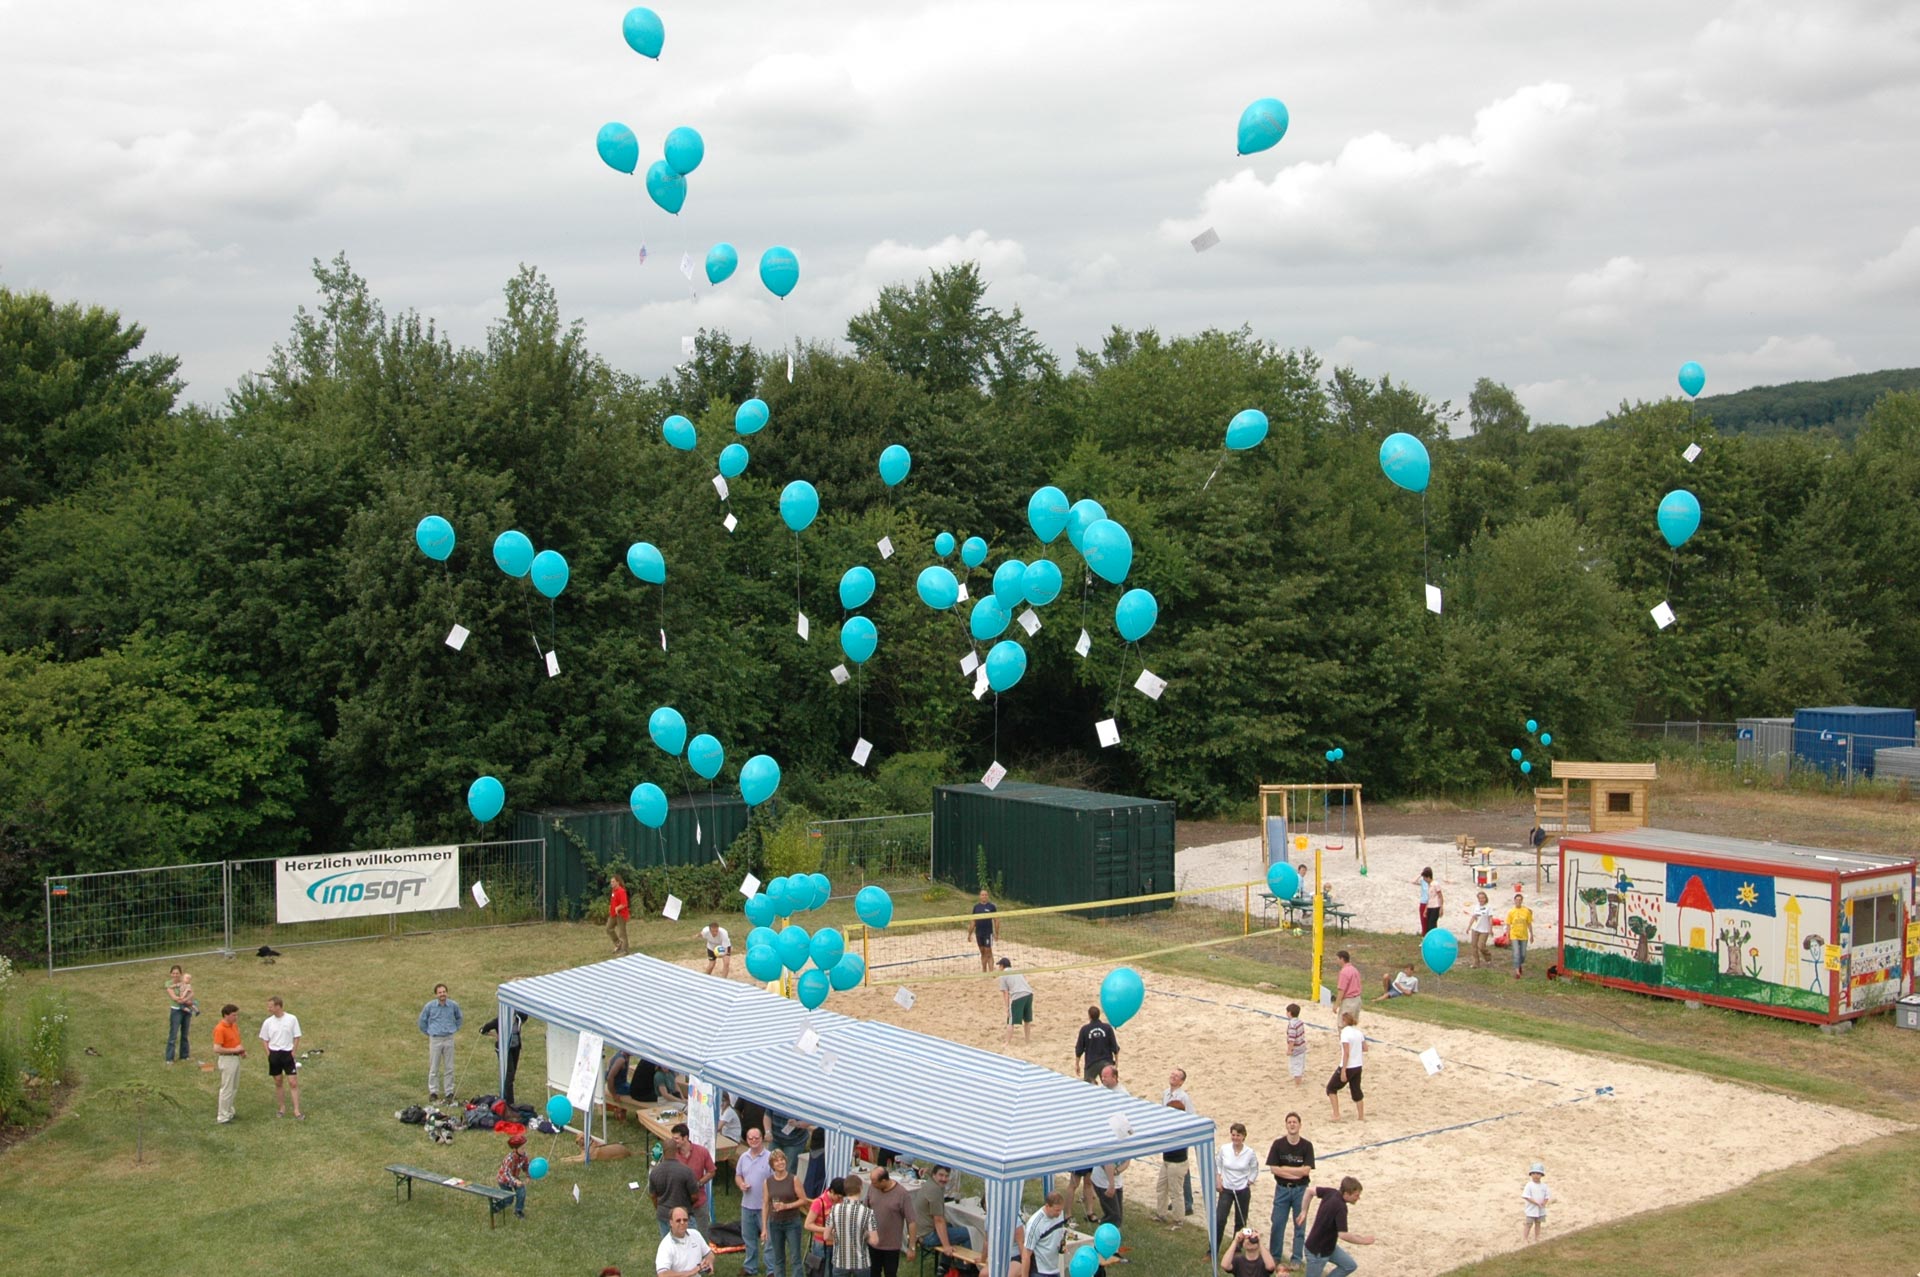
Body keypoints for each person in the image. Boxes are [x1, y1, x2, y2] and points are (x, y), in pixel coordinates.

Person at [1301, 1176, 1375, 1277]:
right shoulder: (1341, 1207)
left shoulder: (1331, 1192)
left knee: (1349, 1265)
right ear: (1346, 1194)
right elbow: (1343, 1235)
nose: (1358, 1198)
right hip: (1317, 1252)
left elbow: (1309, 1191)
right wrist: (1364, 1241)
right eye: (1356, 1195)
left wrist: (1303, 1211)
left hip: (1329, 1247)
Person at [1265, 1111, 1314, 1265]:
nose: (1292, 1124)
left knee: (1300, 1225)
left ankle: (1296, 1259)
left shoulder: (1307, 1146)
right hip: (1282, 1189)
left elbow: (1306, 1171)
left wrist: (1285, 1169)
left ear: (1300, 1125)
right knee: (1277, 1223)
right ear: (1286, 1125)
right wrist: (1296, 1172)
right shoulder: (1278, 1144)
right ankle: (1275, 1257)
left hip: (1301, 1190)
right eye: (1289, 1122)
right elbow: (1274, 1169)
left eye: (1295, 1122)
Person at [1153, 1069, 1194, 1223]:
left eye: (1177, 1076)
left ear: (1182, 1081)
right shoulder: (1166, 1093)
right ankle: (1161, 1214)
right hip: (1167, 1148)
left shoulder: (1183, 1097)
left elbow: (1190, 1117)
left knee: (1178, 1184)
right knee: (1162, 1186)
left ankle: (1182, 1212)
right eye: (1172, 1074)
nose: (1173, 1077)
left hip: (1178, 1148)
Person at [864, 1163, 915, 1277]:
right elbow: (865, 1209)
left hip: (891, 1246)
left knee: (890, 1274)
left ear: (883, 1181)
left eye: (874, 1182)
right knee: (873, 1273)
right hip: (873, 1243)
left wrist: (911, 1247)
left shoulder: (902, 1194)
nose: (872, 1184)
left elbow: (911, 1221)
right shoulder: (872, 1188)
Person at [736, 1126, 774, 1275]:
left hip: (765, 1206)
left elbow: (776, 1179)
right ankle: (750, 1267)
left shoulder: (770, 1157)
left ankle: (771, 1269)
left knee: (769, 1240)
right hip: (747, 1205)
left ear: (762, 1138)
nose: (753, 1141)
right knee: (749, 1239)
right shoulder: (743, 1157)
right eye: (750, 1138)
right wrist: (741, 1184)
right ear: (747, 1140)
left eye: (756, 1138)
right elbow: (738, 1175)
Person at [1215, 1122, 1259, 1251]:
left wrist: (1249, 1181)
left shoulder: (1249, 1152)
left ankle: (1237, 1250)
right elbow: (1218, 1164)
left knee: (1240, 1222)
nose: (1235, 1138)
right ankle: (1213, 1250)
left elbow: (1254, 1168)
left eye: (1238, 1135)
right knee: (1220, 1219)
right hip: (1226, 1189)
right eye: (1233, 1135)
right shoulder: (1225, 1149)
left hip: (1242, 1190)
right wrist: (1218, 1179)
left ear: (1244, 1136)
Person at [824, 1171, 878, 1277]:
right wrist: (865, 1236)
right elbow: (874, 1241)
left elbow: (826, 1236)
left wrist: (837, 1237)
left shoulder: (835, 1209)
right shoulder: (868, 1212)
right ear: (861, 1189)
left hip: (840, 1261)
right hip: (861, 1262)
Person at [764, 1147, 807, 1277]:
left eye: (782, 1159)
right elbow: (765, 1204)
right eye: (777, 1160)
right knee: (778, 1259)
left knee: (795, 1257)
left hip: (792, 1222)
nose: (780, 1162)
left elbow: (803, 1200)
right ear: (772, 1165)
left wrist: (787, 1206)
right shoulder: (768, 1182)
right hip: (775, 1223)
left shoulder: (793, 1179)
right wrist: (764, 1228)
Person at [911, 1164, 972, 1254]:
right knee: (970, 1232)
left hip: (920, 1231)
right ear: (934, 1175)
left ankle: (945, 1262)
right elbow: (938, 1220)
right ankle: (963, 1262)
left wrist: (928, 1170)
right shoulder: (935, 1190)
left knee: (951, 1225)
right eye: (941, 1175)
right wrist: (946, 1246)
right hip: (928, 1236)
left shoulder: (931, 1182)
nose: (944, 1179)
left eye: (946, 1176)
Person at [258, 996, 303, 1118]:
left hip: (287, 1053)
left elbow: (297, 1036)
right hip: (274, 1054)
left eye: (271, 1006)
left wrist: (293, 1051)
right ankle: (282, 1108)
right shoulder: (268, 1022)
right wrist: (269, 1053)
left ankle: (297, 1110)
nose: (269, 1009)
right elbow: (264, 1039)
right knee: (278, 1081)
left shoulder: (291, 1019)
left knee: (293, 1082)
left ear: (278, 1006)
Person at [418, 982, 462, 1102]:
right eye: (440, 992)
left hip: (449, 1038)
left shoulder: (453, 1005)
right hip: (435, 1039)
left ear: (447, 993)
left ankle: (449, 1092)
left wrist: (455, 1028)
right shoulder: (430, 1006)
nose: (442, 994)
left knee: (449, 1067)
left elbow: (459, 1017)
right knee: (434, 1067)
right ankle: (433, 1091)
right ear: (436, 994)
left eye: (444, 992)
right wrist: (429, 1032)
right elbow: (422, 1021)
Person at [650, 1136, 701, 1238]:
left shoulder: (655, 1172)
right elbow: (695, 1196)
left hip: (664, 1215)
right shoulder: (686, 1171)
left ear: (663, 1151)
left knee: (668, 1245)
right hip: (683, 1216)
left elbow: (653, 1196)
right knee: (690, 1244)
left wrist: (660, 1207)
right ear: (676, 1151)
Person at [673, 1122, 716, 1229]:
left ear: (685, 1138)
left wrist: (699, 1183)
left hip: (699, 1202)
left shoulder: (702, 1151)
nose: (673, 1141)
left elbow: (711, 1171)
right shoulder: (672, 1155)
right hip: (679, 1203)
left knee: (702, 1233)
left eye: (676, 1138)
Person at [479, 1008, 527, 1105]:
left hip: (515, 1048)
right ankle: (509, 1101)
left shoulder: (519, 1018)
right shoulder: (499, 1021)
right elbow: (482, 1030)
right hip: (504, 1049)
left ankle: (507, 1097)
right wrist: (496, 1035)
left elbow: (525, 1016)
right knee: (509, 1074)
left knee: (512, 1074)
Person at [1020, 1191, 1072, 1277]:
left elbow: (1058, 1233)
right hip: (1039, 1272)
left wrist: (1061, 1245)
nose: (1059, 1213)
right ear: (1047, 1206)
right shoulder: (1035, 1224)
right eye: (1057, 1210)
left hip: (1054, 1269)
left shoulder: (1059, 1214)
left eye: (1061, 1210)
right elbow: (1026, 1254)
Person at [656, 1206, 716, 1277]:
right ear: (671, 1222)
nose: (682, 1223)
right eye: (678, 1220)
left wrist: (709, 1261)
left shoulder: (695, 1234)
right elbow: (662, 1274)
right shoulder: (665, 1246)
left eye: (685, 1220)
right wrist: (691, 1272)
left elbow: (709, 1254)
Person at [1326, 1013, 1365, 1122]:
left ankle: (1336, 1115)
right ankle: (1361, 1117)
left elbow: (1346, 1053)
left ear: (1344, 1021)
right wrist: (1356, 1050)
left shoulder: (1345, 1033)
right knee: (1356, 1090)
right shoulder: (1358, 1032)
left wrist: (1343, 1070)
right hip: (1358, 1065)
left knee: (1331, 1088)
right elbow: (1365, 1048)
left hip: (1349, 1066)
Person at [212, 1003, 245, 1123]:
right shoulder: (220, 1028)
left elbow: (236, 1041)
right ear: (226, 1015)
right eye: (233, 1015)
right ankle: (222, 1116)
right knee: (227, 1088)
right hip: (227, 1059)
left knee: (234, 1087)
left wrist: (241, 1051)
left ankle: (229, 1111)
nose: (236, 1017)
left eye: (236, 1015)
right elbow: (217, 1048)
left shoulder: (233, 1026)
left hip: (235, 1058)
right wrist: (234, 1050)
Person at [804, 1176, 845, 1272]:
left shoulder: (840, 1202)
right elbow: (807, 1225)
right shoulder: (819, 1202)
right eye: (839, 1197)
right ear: (832, 1191)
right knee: (822, 1272)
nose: (841, 1200)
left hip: (836, 1243)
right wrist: (827, 1230)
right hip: (821, 1244)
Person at [1073, 1006, 1119, 1082]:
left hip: (1091, 1063)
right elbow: (1114, 1047)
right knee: (1110, 1086)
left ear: (1089, 1016)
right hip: (1106, 1061)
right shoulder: (1107, 1028)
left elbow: (1079, 1049)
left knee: (1088, 1085)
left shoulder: (1085, 1029)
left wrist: (1077, 1064)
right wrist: (1116, 1062)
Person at [998, 957, 1034, 1044]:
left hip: (1018, 996)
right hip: (1029, 994)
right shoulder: (1017, 971)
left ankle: (1007, 1042)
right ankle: (1027, 1041)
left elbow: (1005, 993)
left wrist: (1007, 1008)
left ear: (1002, 966)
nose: (999, 968)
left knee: (1010, 1021)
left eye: (999, 966)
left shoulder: (1003, 975)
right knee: (1027, 1020)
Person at [496, 1131, 530, 1219]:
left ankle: (518, 1210)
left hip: (514, 1177)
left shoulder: (524, 1156)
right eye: (522, 1148)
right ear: (515, 1149)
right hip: (504, 1180)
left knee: (521, 1192)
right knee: (509, 1199)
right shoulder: (510, 1159)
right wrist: (515, 1182)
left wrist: (528, 1175)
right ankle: (497, 1205)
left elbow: (526, 1166)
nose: (524, 1150)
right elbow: (506, 1173)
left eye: (525, 1147)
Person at [165, 965, 195, 1064]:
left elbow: (192, 994)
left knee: (185, 1034)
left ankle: (184, 1055)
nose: (175, 975)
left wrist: (186, 1000)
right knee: (173, 1034)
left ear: (181, 974)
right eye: (173, 973)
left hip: (186, 1010)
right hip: (176, 1011)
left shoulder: (185, 982)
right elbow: (173, 997)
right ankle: (169, 1058)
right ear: (170, 974)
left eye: (177, 973)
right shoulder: (168, 983)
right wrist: (182, 1000)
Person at [1091, 1154, 1129, 1226]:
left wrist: (1116, 1171)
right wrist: (1111, 1185)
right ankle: (1104, 1231)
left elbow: (1127, 1162)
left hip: (1116, 1182)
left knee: (1118, 1215)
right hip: (1103, 1182)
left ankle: (1114, 1231)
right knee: (1113, 1215)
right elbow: (1107, 1162)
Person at [1520, 1161, 1552, 1243]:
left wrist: (1544, 1203)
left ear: (1541, 1175)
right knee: (1529, 1224)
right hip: (1531, 1209)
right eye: (1533, 1173)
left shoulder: (1544, 1186)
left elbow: (1547, 1196)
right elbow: (1526, 1196)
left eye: (1538, 1173)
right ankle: (1525, 1238)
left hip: (1540, 1209)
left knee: (1538, 1223)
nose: (1536, 1175)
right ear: (1531, 1174)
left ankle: (1537, 1237)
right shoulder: (1529, 1185)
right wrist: (1536, 1203)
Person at [969, 888, 1000, 972]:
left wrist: (996, 933)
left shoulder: (991, 907)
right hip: (979, 933)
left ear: (988, 896)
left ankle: (991, 972)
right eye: (982, 895)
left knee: (988, 952)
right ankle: (984, 970)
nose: (984, 896)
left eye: (985, 895)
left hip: (988, 933)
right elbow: (973, 921)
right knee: (982, 952)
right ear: (980, 896)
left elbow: (996, 920)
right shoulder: (976, 907)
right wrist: (969, 934)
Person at [1508, 891, 1535, 979]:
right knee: (1516, 953)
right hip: (1514, 935)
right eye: (1517, 900)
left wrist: (1531, 934)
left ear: (1522, 901)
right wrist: (1508, 936)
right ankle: (1517, 972)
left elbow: (1529, 923)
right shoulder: (1511, 912)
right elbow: (1508, 924)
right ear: (1514, 901)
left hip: (1524, 935)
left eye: (1520, 900)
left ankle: (1519, 964)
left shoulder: (1526, 911)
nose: (1518, 901)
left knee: (1523, 954)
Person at [1465, 891, 1493, 968]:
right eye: (1480, 898)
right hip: (1475, 928)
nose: (1481, 899)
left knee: (1481, 946)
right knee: (1474, 946)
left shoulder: (1489, 907)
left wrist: (1490, 929)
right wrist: (1469, 927)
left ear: (1485, 898)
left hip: (1484, 930)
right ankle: (1476, 963)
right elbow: (1473, 917)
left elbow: (1490, 918)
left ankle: (1488, 958)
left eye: (1483, 898)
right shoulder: (1476, 907)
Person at [1334, 952, 1362, 1024]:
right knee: (1352, 1024)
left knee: (1343, 1024)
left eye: (1337, 959)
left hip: (1349, 1002)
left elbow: (1341, 990)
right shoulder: (1354, 970)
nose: (1336, 961)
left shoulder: (1344, 972)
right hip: (1357, 1000)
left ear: (1342, 959)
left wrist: (1336, 1005)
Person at [1284, 1004, 1307, 1087]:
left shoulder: (1292, 1025)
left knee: (1296, 1066)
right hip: (1302, 1047)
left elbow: (1292, 1039)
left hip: (1296, 1049)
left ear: (1289, 1013)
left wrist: (1289, 1050)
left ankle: (1297, 1083)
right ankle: (1299, 1081)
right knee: (1300, 1065)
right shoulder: (1300, 1022)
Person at [607, 872, 630, 954]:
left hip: (621, 915)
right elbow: (613, 900)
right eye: (611, 882)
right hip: (613, 914)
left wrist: (617, 908)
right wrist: (611, 907)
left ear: (618, 882)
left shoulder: (621, 891)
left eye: (613, 881)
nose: (611, 883)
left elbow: (624, 904)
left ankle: (625, 949)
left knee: (622, 932)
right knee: (609, 928)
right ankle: (618, 944)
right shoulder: (614, 890)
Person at [1412, 867, 1434, 934]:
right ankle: (1424, 933)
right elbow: (1413, 881)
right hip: (1423, 902)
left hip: (1430, 903)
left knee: (1430, 921)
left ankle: (1429, 933)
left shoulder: (1433, 883)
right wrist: (1420, 875)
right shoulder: (1423, 881)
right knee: (1423, 920)